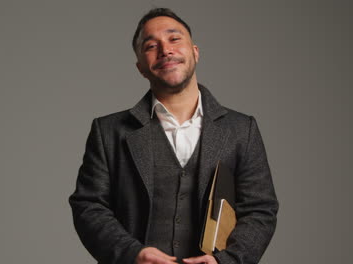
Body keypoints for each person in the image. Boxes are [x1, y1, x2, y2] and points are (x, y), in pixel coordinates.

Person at [69, 8, 278, 264]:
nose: (165, 50)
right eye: (151, 46)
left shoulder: (241, 129)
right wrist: (133, 254)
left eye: (174, 39)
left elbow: (260, 210)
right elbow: (89, 207)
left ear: (195, 52)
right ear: (140, 68)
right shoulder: (108, 132)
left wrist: (226, 261)